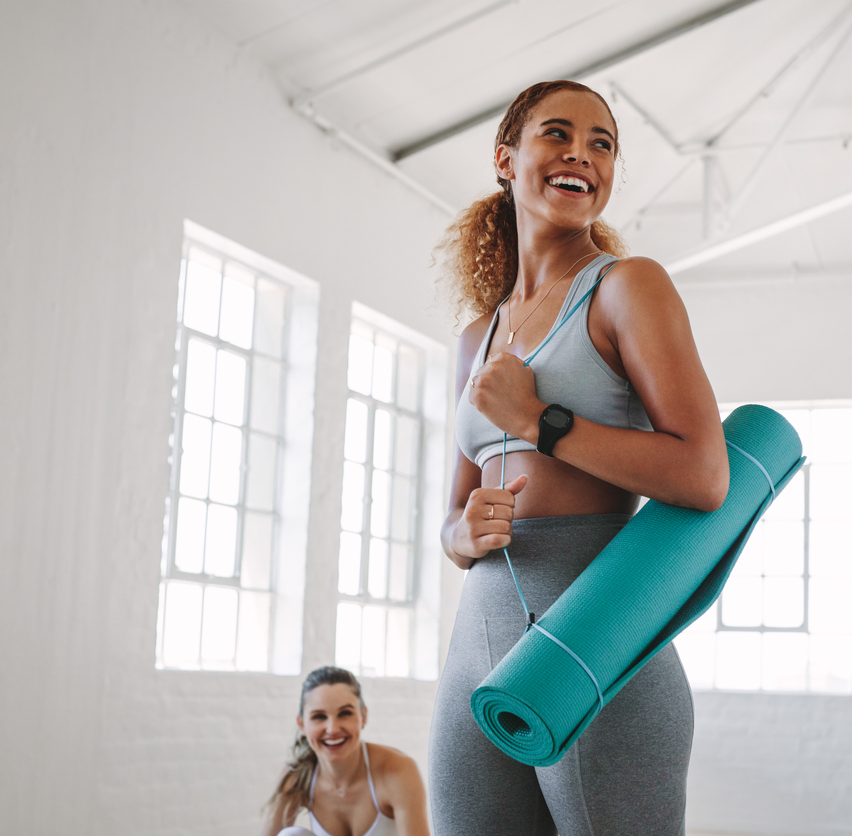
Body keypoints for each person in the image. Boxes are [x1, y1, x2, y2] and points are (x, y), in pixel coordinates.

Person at [429, 80, 729, 836]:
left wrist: (538, 420)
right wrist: (461, 535)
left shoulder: (627, 289)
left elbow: (704, 474)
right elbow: (452, 518)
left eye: (602, 144)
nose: (581, 155)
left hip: (595, 639)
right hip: (479, 640)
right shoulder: (476, 336)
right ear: (506, 159)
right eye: (557, 134)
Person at [262, 666, 430, 836]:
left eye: (345, 713)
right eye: (319, 716)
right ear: (302, 724)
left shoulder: (398, 770)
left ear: (363, 717)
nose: (332, 729)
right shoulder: (295, 776)